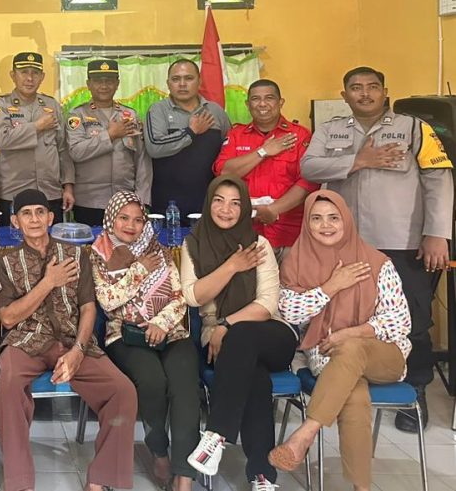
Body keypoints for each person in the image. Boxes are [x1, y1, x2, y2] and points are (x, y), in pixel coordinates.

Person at [301, 65, 453, 429]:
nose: (365, 93)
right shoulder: (330, 130)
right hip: (345, 246)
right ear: (345, 95)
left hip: (401, 243)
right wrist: (359, 161)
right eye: (356, 87)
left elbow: (438, 178)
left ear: (385, 92)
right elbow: (309, 167)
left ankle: (415, 392)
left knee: (412, 319)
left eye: (372, 87)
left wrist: (437, 234)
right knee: (349, 318)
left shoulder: (415, 128)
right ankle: (354, 384)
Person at [268, 190, 410, 491]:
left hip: (385, 356)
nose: (326, 225)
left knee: (351, 346)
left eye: (334, 218)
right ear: (307, 224)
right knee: (354, 396)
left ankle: (306, 432)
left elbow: (400, 320)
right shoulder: (296, 261)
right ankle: (362, 487)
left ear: (346, 220)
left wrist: (350, 333)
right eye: (316, 219)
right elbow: (289, 311)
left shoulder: (375, 262)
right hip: (328, 356)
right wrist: (331, 286)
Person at [0, 189, 137, 491]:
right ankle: (20, 484)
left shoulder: (76, 255)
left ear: (51, 218)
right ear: (15, 222)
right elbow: (7, 318)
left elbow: (88, 308)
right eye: (26, 214)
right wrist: (48, 282)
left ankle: (100, 480)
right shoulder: (5, 262)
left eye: (40, 212)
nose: (34, 219)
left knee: (123, 391)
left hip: (74, 340)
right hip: (26, 341)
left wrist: (78, 351)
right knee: (8, 384)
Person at [181, 177, 298, 491]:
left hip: (271, 335)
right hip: (225, 344)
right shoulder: (192, 245)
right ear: (208, 203)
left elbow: (267, 304)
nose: (226, 209)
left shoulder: (259, 245)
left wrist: (226, 324)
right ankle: (262, 476)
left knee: (242, 336)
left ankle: (216, 434)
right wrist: (231, 266)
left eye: (235, 203)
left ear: (245, 208)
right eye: (219, 200)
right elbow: (192, 295)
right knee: (255, 379)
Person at [90, 191, 198, 491]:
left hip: (171, 332)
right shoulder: (99, 254)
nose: (131, 225)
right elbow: (108, 300)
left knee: (185, 387)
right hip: (125, 334)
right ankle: (159, 450)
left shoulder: (158, 250)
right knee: (152, 381)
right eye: (124, 218)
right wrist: (139, 271)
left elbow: (179, 297)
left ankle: (184, 476)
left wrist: (160, 323)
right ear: (111, 219)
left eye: (138, 220)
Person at [213, 79, 316, 257]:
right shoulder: (236, 134)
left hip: (289, 233)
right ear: (247, 104)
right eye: (256, 99)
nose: (262, 104)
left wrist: (273, 210)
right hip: (244, 232)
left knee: (292, 276)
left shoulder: (299, 135)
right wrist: (263, 151)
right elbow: (224, 172)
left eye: (269, 98)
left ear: (280, 102)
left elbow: (308, 182)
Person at [0, 52, 74, 221]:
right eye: (24, 72)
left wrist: (68, 187)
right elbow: (1, 139)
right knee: (13, 236)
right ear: (13, 75)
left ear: (42, 77)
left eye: (35, 73)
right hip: (14, 192)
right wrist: (37, 126)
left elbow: (63, 149)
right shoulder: (2, 104)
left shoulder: (52, 105)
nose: (30, 78)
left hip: (50, 192)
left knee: (50, 236)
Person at [67, 60, 152, 226]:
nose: (104, 86)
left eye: (109, 81)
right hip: (89, 201)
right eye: (98, 81)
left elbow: (142, 160)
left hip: (125, 200)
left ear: (117, 83)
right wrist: (110, 135)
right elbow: (75, 152)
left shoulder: (130, 115)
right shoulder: (78, 115)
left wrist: (142, 197)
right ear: (88, 84)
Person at [144, 59, 231, 215]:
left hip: (210, 202)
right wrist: (191, 131)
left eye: (189, 78)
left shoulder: (215, 111)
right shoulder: (158, 110)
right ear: (168, 83)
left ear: (199, 81)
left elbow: (229, 151)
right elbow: (155, 147)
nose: (182, 84)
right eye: (176, 79)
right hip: (168, 205)